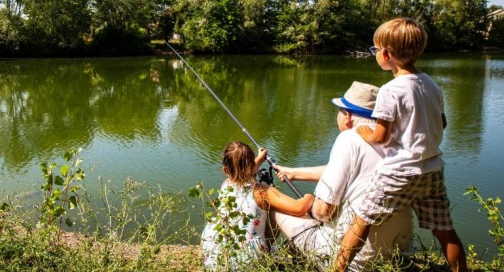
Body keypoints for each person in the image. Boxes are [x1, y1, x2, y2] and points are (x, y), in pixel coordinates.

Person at [338, 17, 467, 271]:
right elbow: (442, 123)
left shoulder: (390, 90)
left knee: (361, 221)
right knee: (445, 230)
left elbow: (381, 137)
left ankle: (338, 269)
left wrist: (364, 132)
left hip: (398, 172)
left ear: (386, 54)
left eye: (375, 50)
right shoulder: (431, 84)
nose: (375, 54)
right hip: (431, 170)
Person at [272, 81, 413, 271]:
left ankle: (268, 263)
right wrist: (294, 173)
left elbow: (323, 211)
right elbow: (350, 171)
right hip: (398, 256)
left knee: (276, 208)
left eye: (339, 111)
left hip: (355, 261)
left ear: (347, 116)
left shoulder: (349, 138)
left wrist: (308, 207)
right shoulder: (399, 141)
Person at [200, 140, 314, 269]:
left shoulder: (226, 184)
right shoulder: (263, 192)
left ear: (225, 170)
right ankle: (270, 250)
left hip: (217, 254)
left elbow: (242, 172)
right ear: (251, 167)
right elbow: (299, 208)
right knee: (274, 209)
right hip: (247, 260)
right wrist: (309, 197)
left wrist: (259, 158)